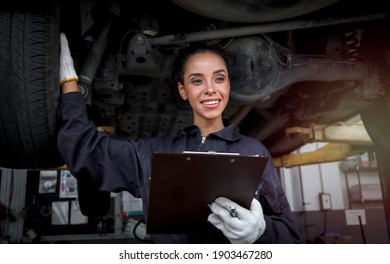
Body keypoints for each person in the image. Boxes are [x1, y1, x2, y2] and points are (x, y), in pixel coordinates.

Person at [57, 32, 302, 244]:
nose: (210, 88)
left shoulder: (254, 152)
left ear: (228, 85)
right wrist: (70, 86)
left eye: (219, 78)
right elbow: (87, 152)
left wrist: (262, 232)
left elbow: (291, 239)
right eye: (197, 81)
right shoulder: (153, 154)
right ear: (183, 90)